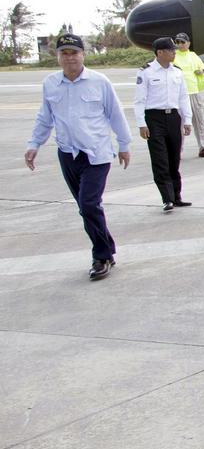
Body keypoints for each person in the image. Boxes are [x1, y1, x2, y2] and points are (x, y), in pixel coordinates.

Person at [24, 33, 132, 280]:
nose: (70, 57)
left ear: (83, 55)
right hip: (68, 154)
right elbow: (45, 117)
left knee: (89, 204)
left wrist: (124, 145)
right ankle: (107, 248)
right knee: (86, 208)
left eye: (74, 52)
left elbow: (116, 114)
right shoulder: (50, 84)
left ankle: (101, 256)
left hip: (97, 154)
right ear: (58, 57)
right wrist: (34, 144)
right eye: (65, 53)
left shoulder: (99, 81)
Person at [133, 36, 193, 212]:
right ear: (160, 52)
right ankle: (167, 198)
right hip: (154, 119)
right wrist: (141, 124)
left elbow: (183, 97)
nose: (174, 53)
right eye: (171, 50)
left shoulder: (177, 72)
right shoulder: (146, 72)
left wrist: (187, 120)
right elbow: (139, 100)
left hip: (173, 118)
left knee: (174, 158)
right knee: (160, 160)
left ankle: (177, 196)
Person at [172, 33, 204, 157]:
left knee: (199, 121)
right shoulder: (174, 56)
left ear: (188, 43)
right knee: (179, 124)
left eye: (182, 42)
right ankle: (177, 151)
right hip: (179, 94)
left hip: (193, 91)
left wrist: (201, 71)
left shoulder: (193, 55)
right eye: (178, 42)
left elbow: (202, 66)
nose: (180, 44)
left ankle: (203, 147)